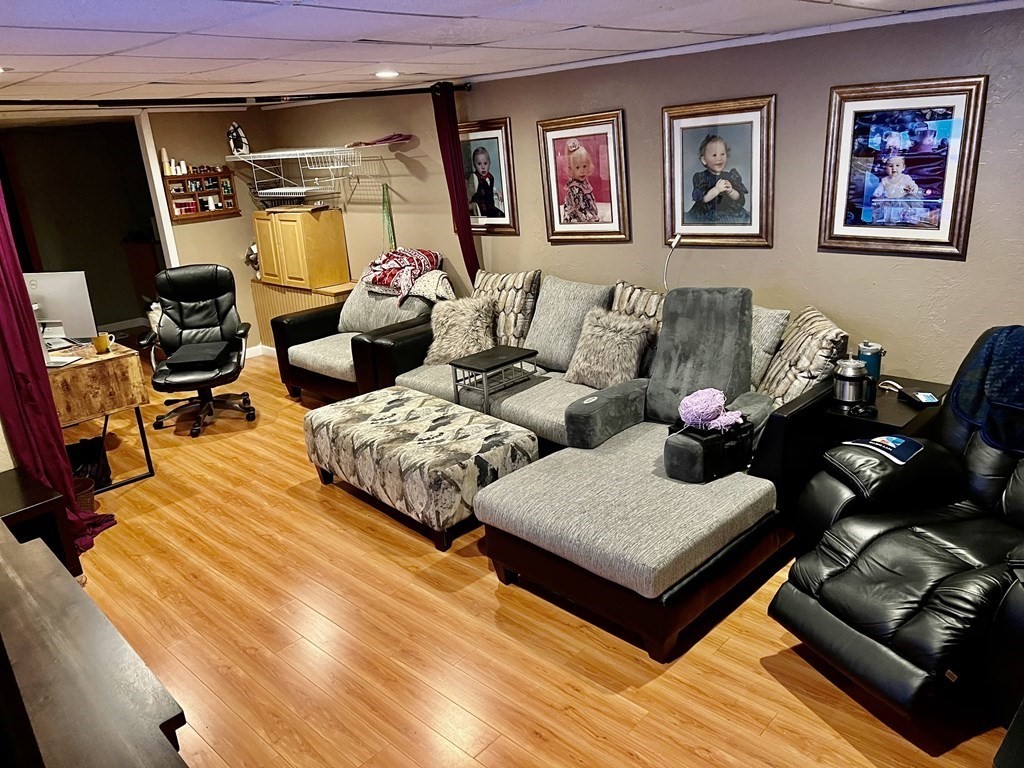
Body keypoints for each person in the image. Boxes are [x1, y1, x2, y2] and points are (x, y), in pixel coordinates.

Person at [686, 134, 750, 224]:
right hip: (707, 214)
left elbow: (738, 198)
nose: (719, 158)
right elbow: (702, 199)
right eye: (714, 155)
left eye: (722, 154)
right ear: (704, 160)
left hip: (729, 213)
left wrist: (731, 191)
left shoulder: (730, 176)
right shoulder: (701, 178)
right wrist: (716, 190)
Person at [871, 154, 925, 225]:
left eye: (897, 165)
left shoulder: (905, 178)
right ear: (886, 168)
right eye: (890, 166)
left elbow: (913, 185)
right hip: (889, 201)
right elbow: (880, 188)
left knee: (903, 214)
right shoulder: (885, 180)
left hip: (903, 200)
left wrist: (912, 189)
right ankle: (890, 222)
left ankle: (904, 222)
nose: (894, 168)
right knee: (888, 213)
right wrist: (877, 193)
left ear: (903, 167)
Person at [561, 138, 600, 223]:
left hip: (588, 217)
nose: (582, 171)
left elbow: (589, 201)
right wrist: (591, 219)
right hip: (578, 220)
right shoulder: (575, 188)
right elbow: (579, 209)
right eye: (577, 167)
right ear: (571, 169)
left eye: (585, 166)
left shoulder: (584, 183)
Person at [466, 147, 504, 218]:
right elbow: (468, 195)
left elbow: (489, 187)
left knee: (501, 215)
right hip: (481, 211)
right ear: (474, 165)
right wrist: (470, 205)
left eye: (485, 163)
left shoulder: (490, 177)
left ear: (489, 164)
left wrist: (497, 192)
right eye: (479, 164)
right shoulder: (474, 178)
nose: (483, 167)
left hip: (490, 208)